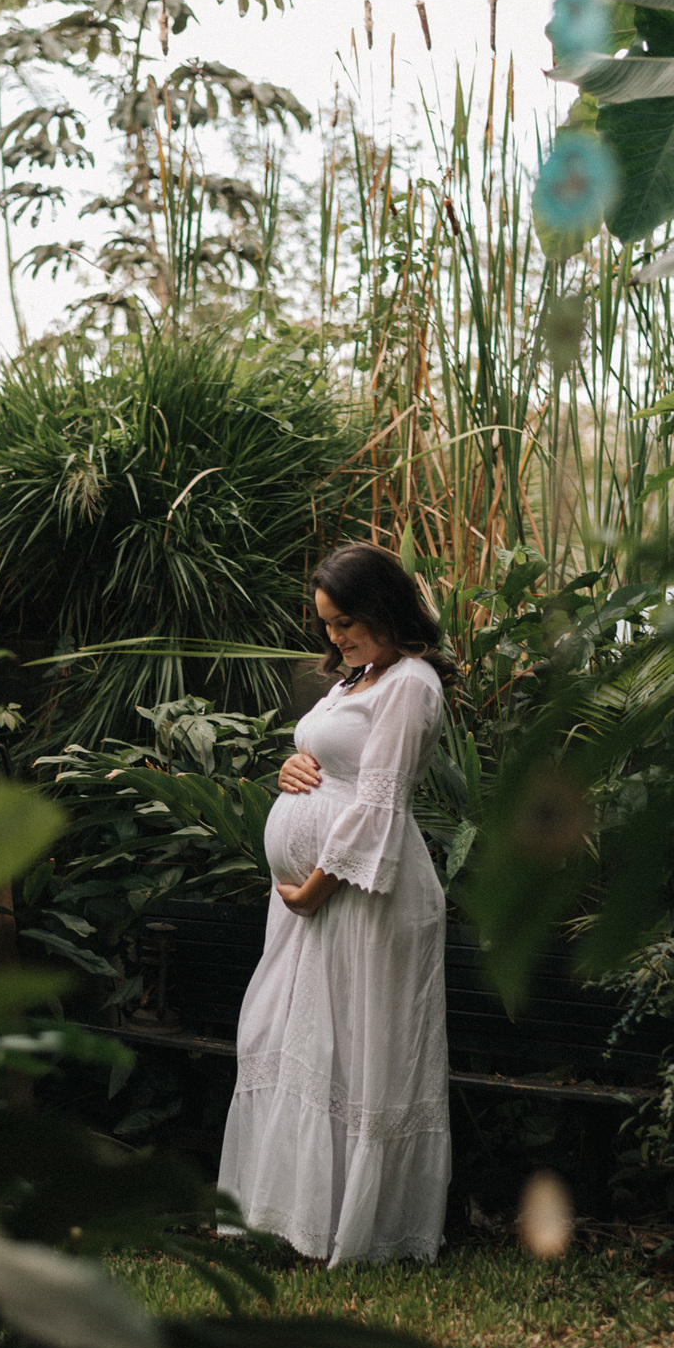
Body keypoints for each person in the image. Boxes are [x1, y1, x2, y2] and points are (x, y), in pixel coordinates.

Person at [217, 542, 454, 1266]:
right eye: (326, 624)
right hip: (312, 902)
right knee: (286, 1042)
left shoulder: (409, 682)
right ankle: (289, 1220)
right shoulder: (357, 679)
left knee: (357, 1054)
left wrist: (314, 888)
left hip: (364, 894)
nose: (335, 636)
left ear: (384, 607)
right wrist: (291, 766)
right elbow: (328, 764)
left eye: (346, 620)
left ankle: (357, 1230)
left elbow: (380, 799)